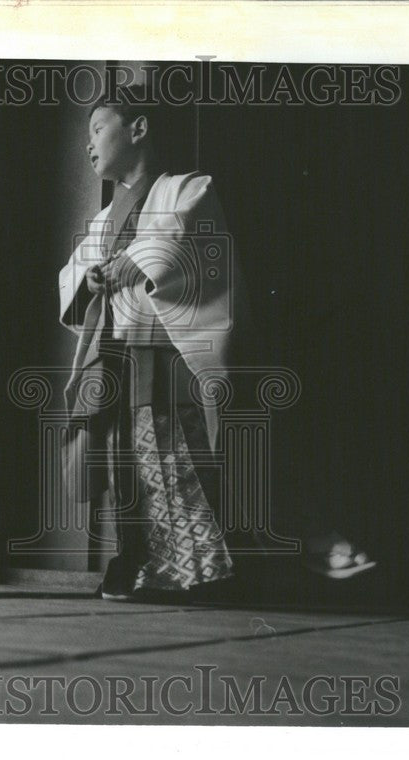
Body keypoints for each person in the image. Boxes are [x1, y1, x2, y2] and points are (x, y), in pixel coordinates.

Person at [58, 91, 374, 603]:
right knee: (132, 470)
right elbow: (73, 273)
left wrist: (140, 258)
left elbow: (186, 234)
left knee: (195, 462)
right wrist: (90, 279)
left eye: (98, 128)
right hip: (120, 362)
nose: (88, 143)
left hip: (174, 358)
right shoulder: (100, 223)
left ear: (138, 129)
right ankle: (146, 570)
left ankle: (214, 571)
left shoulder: (187, 189)